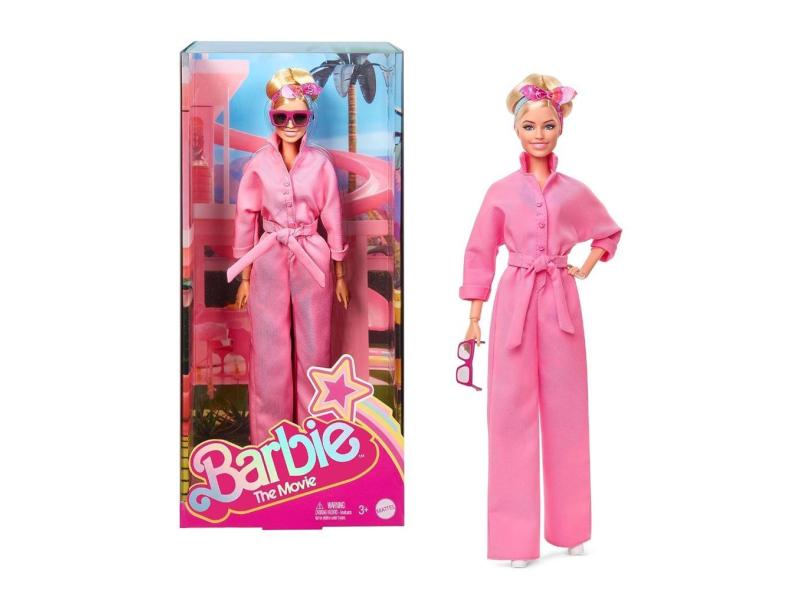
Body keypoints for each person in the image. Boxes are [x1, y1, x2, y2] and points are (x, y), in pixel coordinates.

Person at [459, 74, 622, 566]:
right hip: (514, 300)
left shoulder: (574, 192)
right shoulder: (500, 192)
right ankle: (515, 539)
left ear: (560, 128)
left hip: (560, 302)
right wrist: (474, 317)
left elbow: (608, 232)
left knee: (568, 414)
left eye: (548, 125)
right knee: (510, 415)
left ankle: (571, 528)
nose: (539, 134)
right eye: (529, 125)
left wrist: (585, 266)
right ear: (516, 129)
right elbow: (480, 252)